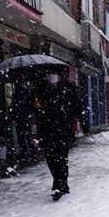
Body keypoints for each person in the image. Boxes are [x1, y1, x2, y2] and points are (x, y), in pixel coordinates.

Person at [32, 73, 89, 201]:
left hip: (63, 129)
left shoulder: (69, 89)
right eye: (49, 74)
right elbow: (32, 106)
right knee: (50, 159)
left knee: (61, 158)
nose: (51, 76)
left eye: (54, 74)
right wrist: (35, 105)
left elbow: (78, 109)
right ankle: (57, 180)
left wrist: (85, 127)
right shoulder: (40, 89)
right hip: (46, 130)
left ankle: (60, 185)